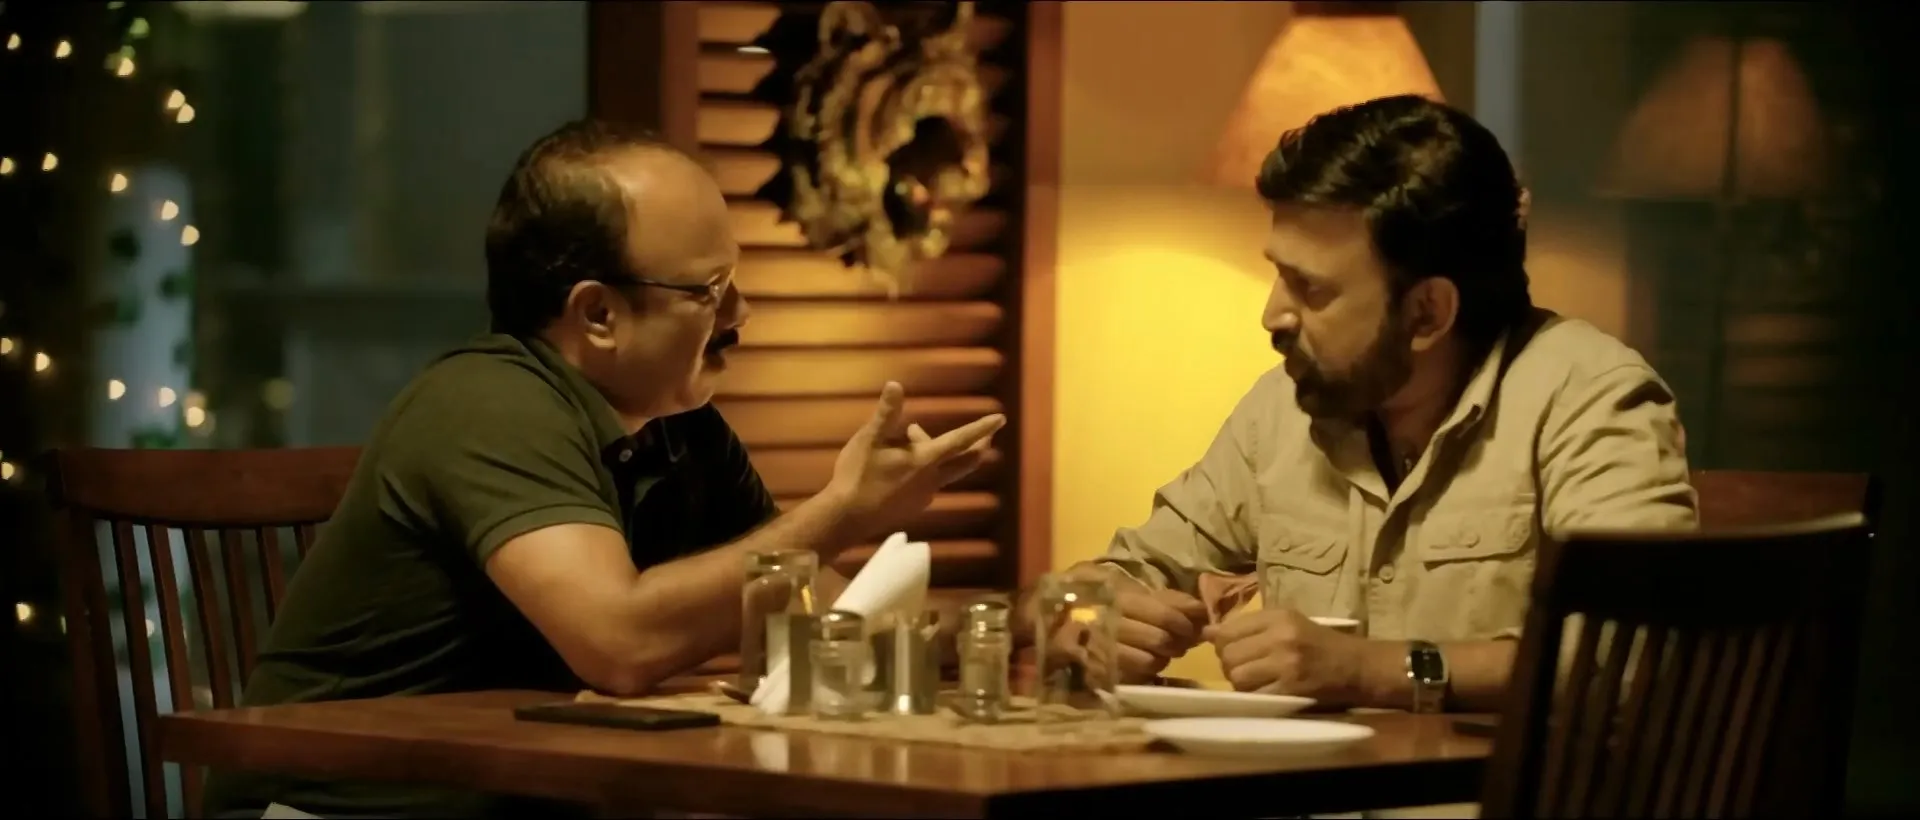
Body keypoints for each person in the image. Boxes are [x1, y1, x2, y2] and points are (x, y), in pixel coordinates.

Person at [203, 120, 1004, 819]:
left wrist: (1027, 617)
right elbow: (618, 642)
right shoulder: (488, 404)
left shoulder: (682, 434)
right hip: (335, 809)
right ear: (597, 314)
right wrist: (845, 510)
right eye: (710, 289)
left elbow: (837, 622)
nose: (741, 313)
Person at [1041, 95, 1695, 716]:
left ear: (1426, 313)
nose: (1272, 314)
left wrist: (1371, 670)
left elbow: (1631, 653)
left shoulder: (1589, 396)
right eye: (1278, 274)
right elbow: (1134, 569)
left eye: (1310, 288)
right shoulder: (1284, 407)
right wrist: (1091, 616)